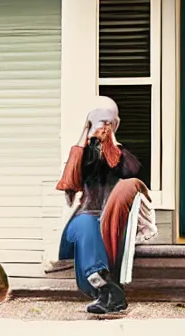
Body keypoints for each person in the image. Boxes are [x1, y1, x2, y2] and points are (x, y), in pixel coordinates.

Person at [54, 99, 150, 315]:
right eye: (100, 123)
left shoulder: (121, 157)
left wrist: (112, 137)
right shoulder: (86, 156)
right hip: (81, 224)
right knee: (87, 223)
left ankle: (107, 292)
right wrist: (86, 132)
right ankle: (110, 290)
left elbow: (129, 171)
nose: (103, 129)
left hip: (107, 224)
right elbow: (69, 180)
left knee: (93, 228)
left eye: (109, 124)